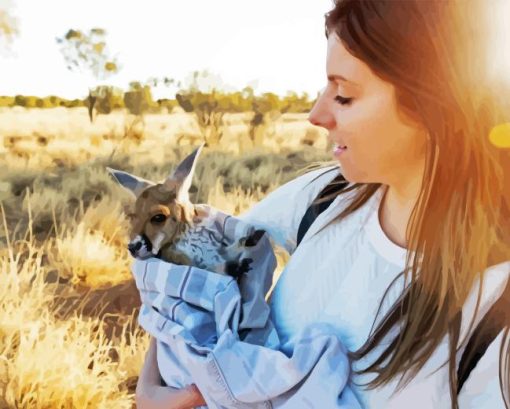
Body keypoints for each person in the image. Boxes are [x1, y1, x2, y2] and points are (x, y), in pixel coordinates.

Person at [135, 0, 510, 407]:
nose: (316, 114)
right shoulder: (322, 196)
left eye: (344, 95)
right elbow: (197, 283)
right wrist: (152, 384)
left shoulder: (495, 310)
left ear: (435, 106)